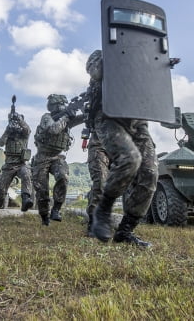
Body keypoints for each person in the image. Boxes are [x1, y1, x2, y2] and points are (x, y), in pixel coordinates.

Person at [86, 49, 158, 247]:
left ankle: (125, 231)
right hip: (109, 116)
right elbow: (96, 73)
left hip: (137, 120)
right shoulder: (101, 54)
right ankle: (103, 210)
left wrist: (159, 65)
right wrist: (116, 56)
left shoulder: (144, 55)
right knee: (130, 159)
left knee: (150, 174)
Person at [32, 94, 83, 225]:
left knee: (63, 177)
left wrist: (84, 110)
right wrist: (66, 117)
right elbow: (53, 130)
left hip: (57, 156)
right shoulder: (47, 117)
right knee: (42, 190)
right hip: (42, 157)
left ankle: (56, 209)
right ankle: (44, 218)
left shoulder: (65, 119)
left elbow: (82, 119)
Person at [0, 111, 34, 212]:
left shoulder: (23, 134)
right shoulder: (8, 134)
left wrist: (19, 119)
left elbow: (28, 130)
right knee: (0, 191)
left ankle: (26, 199)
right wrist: (7, 131)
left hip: (21, 164)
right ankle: (0, 208)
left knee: (26, 173)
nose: (15, 125)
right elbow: (0, 142)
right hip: (9, 166)